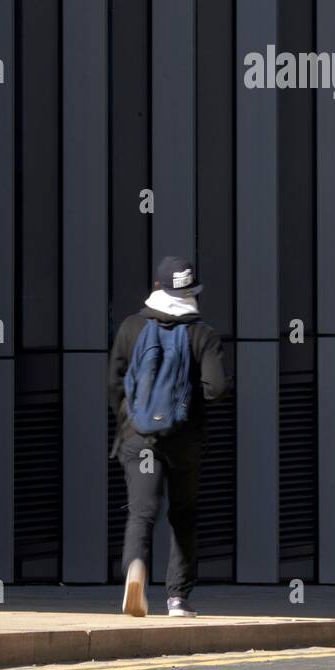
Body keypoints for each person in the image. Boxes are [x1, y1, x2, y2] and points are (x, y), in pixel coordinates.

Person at [108, 256, 232, 619]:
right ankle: (177, 598)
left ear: (158, 288)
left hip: (139, 438)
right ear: (191, 291)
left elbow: (114, 383)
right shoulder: (203, 333)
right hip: (185, 439)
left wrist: (130, 421)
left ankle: (135, 569)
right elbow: (216, 389)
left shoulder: (132, 327)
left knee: (142, 512)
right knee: (183, 514)